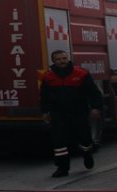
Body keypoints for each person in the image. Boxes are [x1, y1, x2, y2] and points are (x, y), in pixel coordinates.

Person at [40, 49, 103, 177]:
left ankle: (87, 154)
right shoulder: (48, 77)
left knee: (84, 137)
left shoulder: (81, 74)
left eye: (63, 58)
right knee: (59, 141)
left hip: (79, 111)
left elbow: (93, 92)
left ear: (67, 59)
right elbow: (44, 96)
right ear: (53, 61)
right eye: (58, 59)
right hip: (58, 113)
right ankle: (62, 168)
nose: (61, 61)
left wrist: (96, 108)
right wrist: (45, 111)